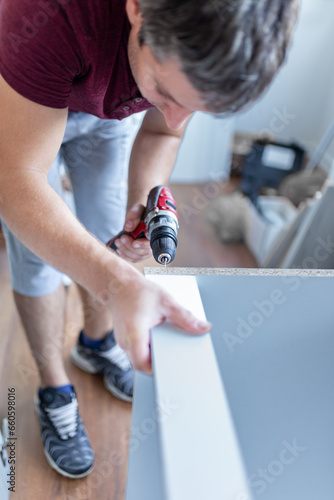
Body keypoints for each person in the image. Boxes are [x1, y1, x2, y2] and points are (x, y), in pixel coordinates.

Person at [0, 0, 299, 479]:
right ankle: (53, 387)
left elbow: (164, 132)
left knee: (104, 233)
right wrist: (119, 284)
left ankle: (95, 345)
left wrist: (141, 206)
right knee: (40, 255)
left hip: (107, 96)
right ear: (136, 8)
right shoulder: (47, 13)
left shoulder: (209, 46)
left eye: (196, 107)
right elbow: (17, 181)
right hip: (23, 96)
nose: (180, 118)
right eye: (166, 90)